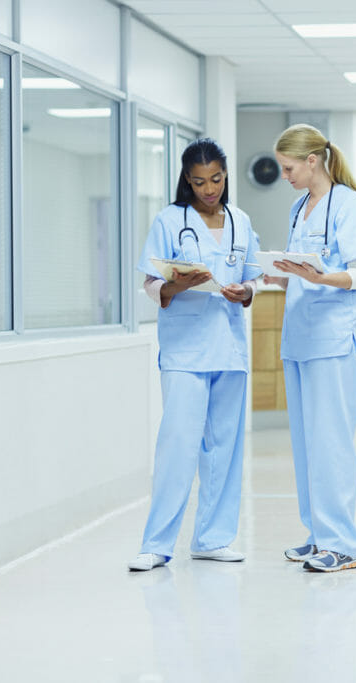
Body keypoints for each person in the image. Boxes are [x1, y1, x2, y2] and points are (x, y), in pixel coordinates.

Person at [128, 138, 263, 572]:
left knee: (224, 447)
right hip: (186, 349)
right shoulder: (170, 220)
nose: (210, 189)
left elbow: (251, 281)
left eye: (217, 179)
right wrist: (175, 285)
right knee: (178, 445)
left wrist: (246, 292)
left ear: (225, 175)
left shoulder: (241, 222)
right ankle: (156, 544)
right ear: (187, 179)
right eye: (200, 181)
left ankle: (213, 538)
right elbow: (152, 285)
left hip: (230, 348)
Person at [264, 124, 356, 573]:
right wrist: (279, 273)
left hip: (331, 341)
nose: (284, 175)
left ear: (313, 161)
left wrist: (318, 278)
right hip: (299, 340)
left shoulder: (350, 205)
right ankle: (318, 534)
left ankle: (343, 544)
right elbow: (302, 266)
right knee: (307, 445)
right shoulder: (297, 208)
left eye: (289, 167)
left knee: (331, 445)